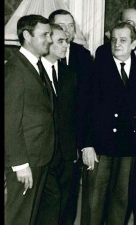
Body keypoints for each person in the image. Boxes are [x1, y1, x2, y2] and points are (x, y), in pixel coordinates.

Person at [80, 22, 136, 225]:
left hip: (129, 146)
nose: (117, 44)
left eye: (123, 40)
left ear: (134, 44)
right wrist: (86, 144)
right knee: (94, 201)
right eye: (114, 40)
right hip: (101, 146)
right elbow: (83, 108)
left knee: (121, 200)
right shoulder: (96, 68)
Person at [5, 14, 54, 225]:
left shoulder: (35, 65)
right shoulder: (15, 70)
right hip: (26, 159)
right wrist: (19, 164)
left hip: (39, 155)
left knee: (30, 217)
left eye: (50, 34)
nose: (50, 39)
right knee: (18, 217)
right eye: (45, 35)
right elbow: (9, 120)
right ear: (27, 35)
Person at [48, 9, 93, 224]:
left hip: (71, 142)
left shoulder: (83, 56)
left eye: (71, 26)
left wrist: (84, 142)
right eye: (61, 26)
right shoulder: (41, 56)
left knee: (68, 198)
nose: (67, 31)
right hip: (45, 143)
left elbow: (87, 104)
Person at [36, 24, 80, 224]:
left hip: (67, 153)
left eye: (67, 41)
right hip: (43, 153)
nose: (66, 45)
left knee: (65, 206)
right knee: (46, 208)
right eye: (61, 41)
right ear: (47, 41)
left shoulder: (70, 73)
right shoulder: (34, 72)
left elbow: (75, 113)